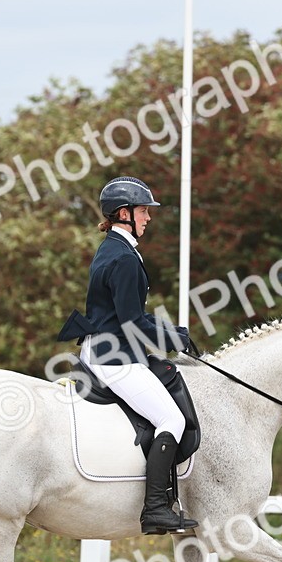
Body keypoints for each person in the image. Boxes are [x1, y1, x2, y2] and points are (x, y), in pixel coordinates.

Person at [57, 176, 199, 535]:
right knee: (172, 420)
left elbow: (130, 315)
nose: (149, 217)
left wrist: (173, 333)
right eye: (143, 211)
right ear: (124, 213)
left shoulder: (115, 249)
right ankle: (155, 509)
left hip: (107, 348)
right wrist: (174, 340)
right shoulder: (123, 258)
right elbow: (133, 321)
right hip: (113, 357)